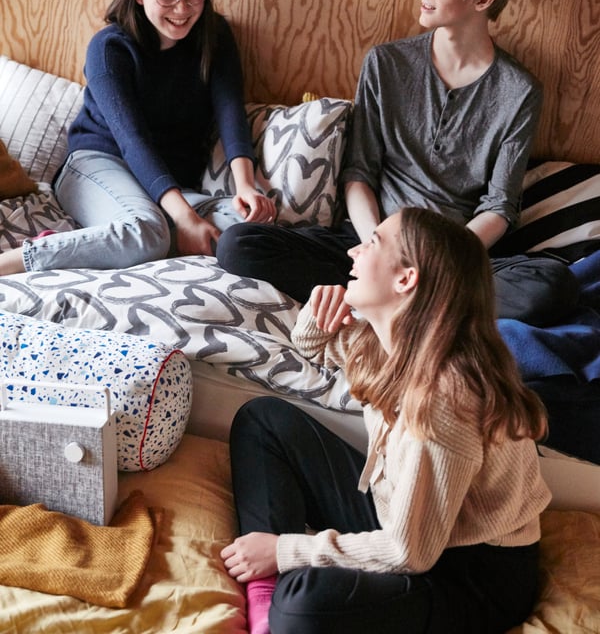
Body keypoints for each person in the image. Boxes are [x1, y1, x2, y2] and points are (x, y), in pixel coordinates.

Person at [216, 0, 578, 326]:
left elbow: (500, 205)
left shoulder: (519, 90)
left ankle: (387, 304)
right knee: (238, 244)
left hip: (449, 259)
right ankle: (409, 305)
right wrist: (378, 246)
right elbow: (359, 173)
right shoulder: (386, 64)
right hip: (369, 241)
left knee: (551, 287)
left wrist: (436, 258)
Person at [221, 207, 551, 634]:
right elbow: (318, 347)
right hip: (402, 516)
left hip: (471, 572)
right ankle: (264, 591)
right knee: (263, 421)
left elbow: (410, 553)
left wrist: (286, 550)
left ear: (406, 279)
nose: (354, 251)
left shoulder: (445, 400)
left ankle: (277, 588)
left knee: (304, 607)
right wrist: (319, 311)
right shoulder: (389, 341)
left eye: (372, 242)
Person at [0, 0, 275, 276]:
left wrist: (246, 184)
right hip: (97, 164)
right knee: (147, 233)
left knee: (244, 229)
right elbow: (133, 142)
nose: (182, 8)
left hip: (165, 185)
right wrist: (185, 218)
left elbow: (230, 109)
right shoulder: (109, 48)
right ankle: (19, 260)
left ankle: (97, 243)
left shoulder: (213, 36)